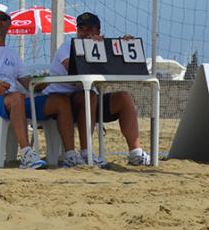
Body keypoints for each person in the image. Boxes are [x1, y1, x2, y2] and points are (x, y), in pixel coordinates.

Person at [0, 2, 78, 169]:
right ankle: (26, 153)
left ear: (9, 23)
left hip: (14, 100)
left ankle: (70, 155)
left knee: (60, 101)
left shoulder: (12, 53)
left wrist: (40, 84)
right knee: (17, 97)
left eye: (3, 18)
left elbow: (27, 83)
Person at [45, 11, 149, 166]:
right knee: (89, 96)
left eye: (89, 29)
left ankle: (136, 153)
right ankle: (86, 152)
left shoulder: (102, 48)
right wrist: (94, 48)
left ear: (98, 32)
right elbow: (75, 74)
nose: (84, 33)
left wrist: (122, 47)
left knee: (123, 97)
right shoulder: (67, 47)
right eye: (81, 29)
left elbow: (117, 69)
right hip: (64, 99)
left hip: (86, 100)